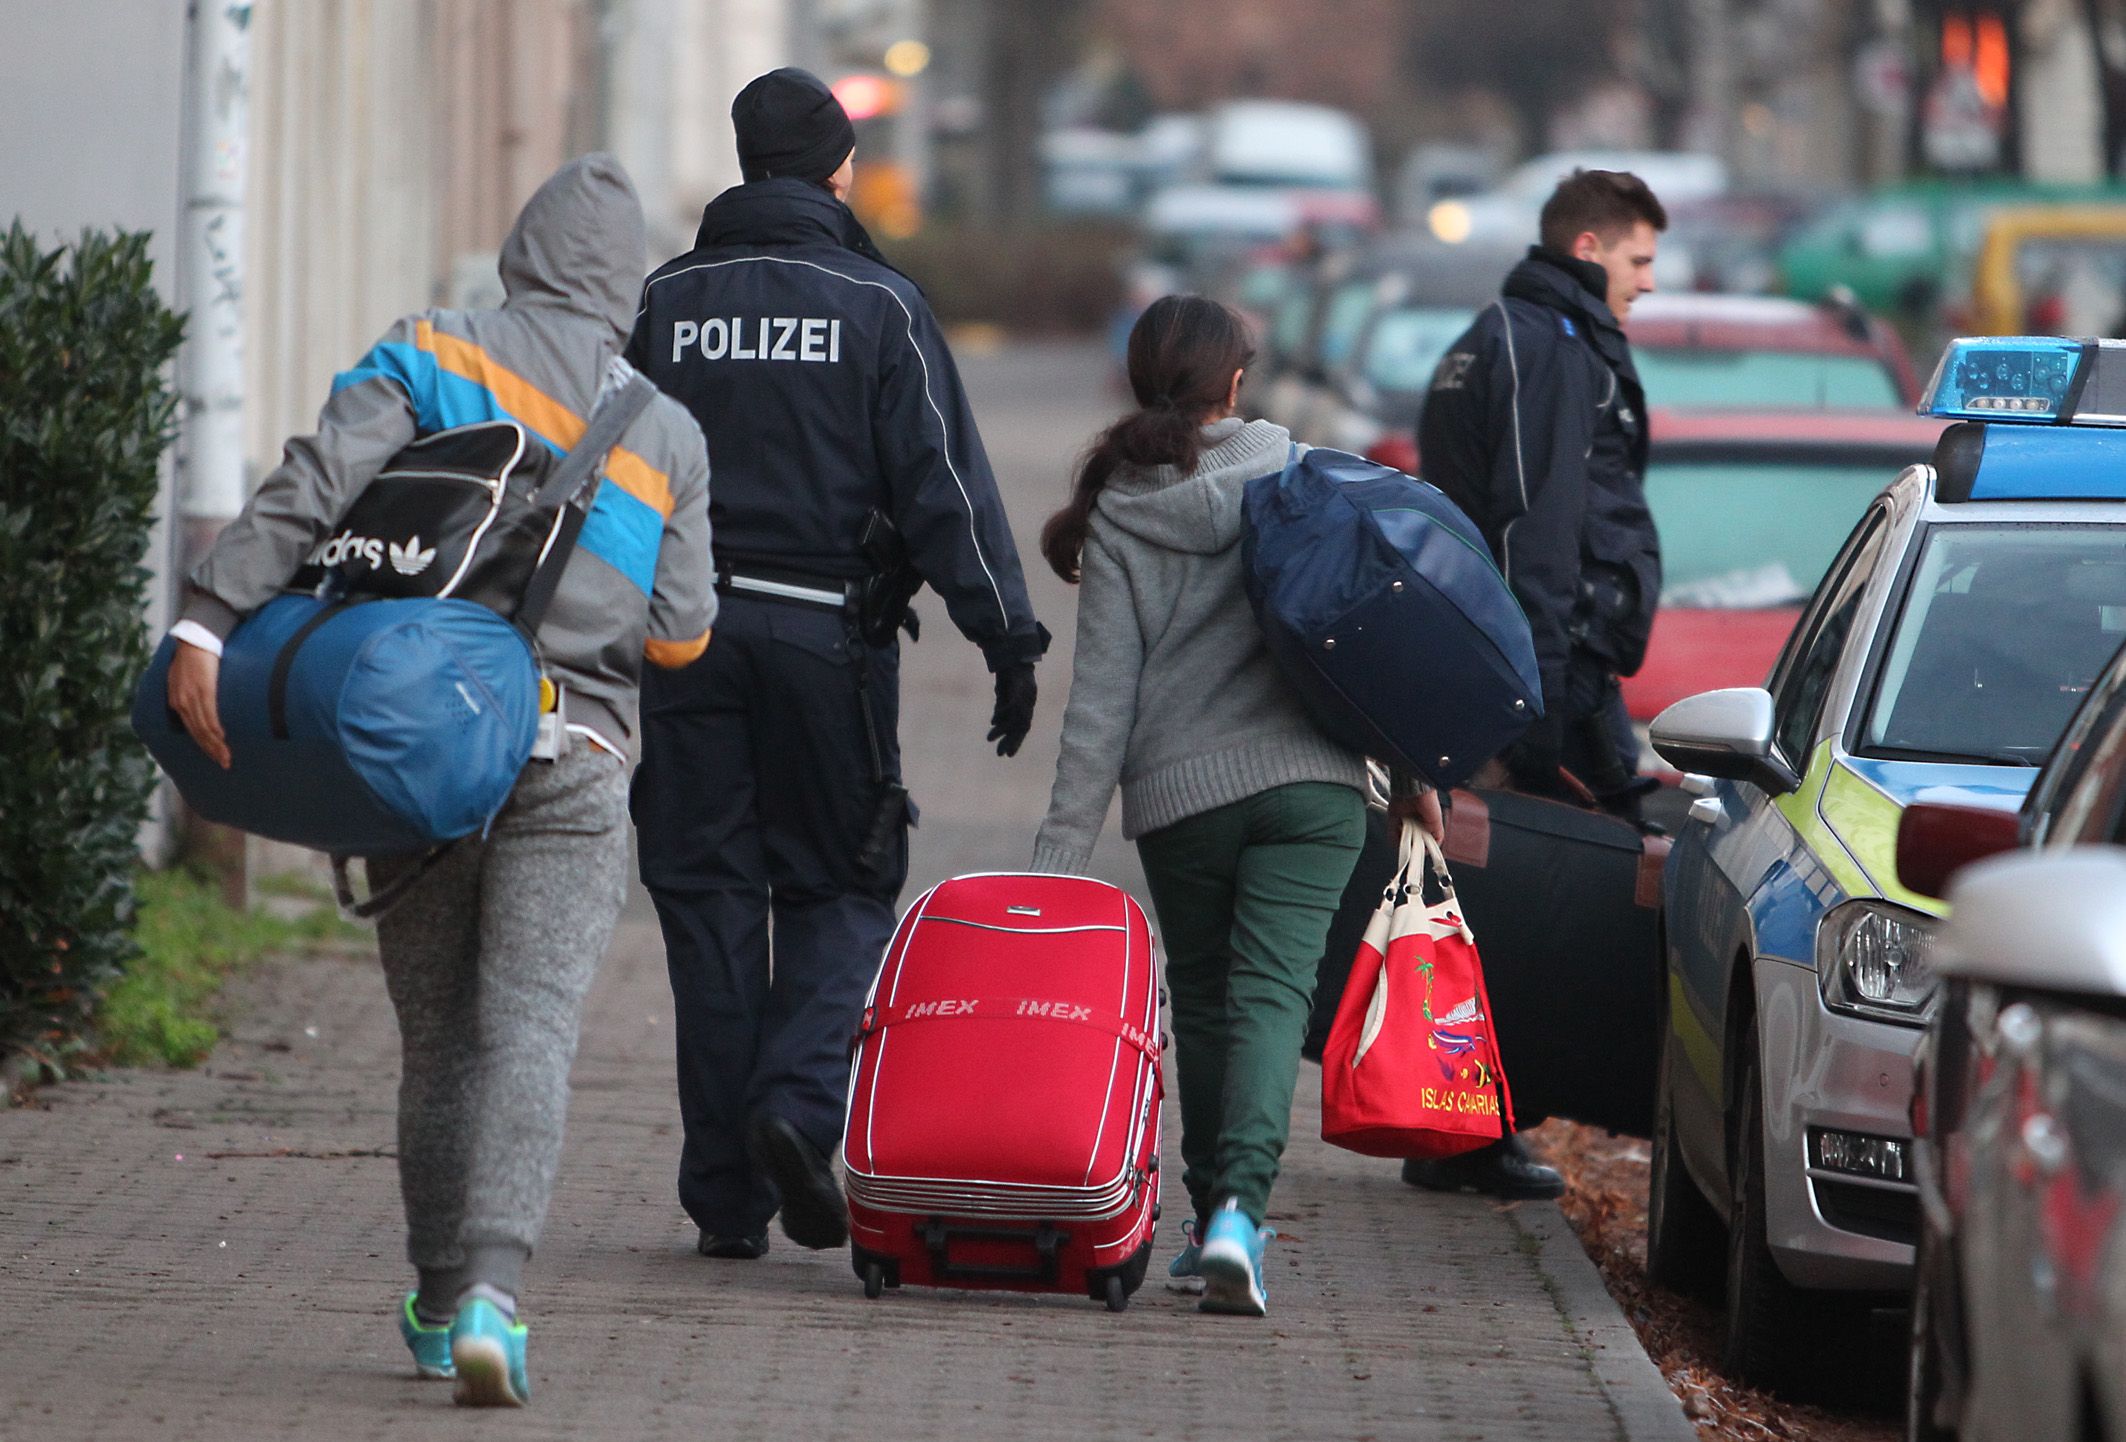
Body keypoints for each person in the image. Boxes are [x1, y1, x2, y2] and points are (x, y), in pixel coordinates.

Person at [163, 155, 716, 1407]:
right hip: (571, 756)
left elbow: (312, 487)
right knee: (528, 1027)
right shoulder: (666, 431)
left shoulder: (427, 347)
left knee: (440, 1041)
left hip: (409, 747)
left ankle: (426, 1293)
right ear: (626, 285)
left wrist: (206, 617)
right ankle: (492, 1298)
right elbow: (681, 635)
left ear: (521, 250)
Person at [625, 68, 1049, 1262]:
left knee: (707, 903)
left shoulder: (665, 299)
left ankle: (723, 1196)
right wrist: (1005, 637)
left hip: (684, 639)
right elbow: (942, 487)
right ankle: (796, 1106)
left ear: (744, 161)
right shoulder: (878, 304)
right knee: (841, 887)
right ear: (836, 168)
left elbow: (613, 472)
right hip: (827, 642)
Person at [1028, 294, 1378, 1318]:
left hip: (1181, 797)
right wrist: (1410, 779)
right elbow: (1364, 643)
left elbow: (1101, 700)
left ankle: (1204, 1217)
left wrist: (1057, 860)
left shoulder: (1123, 506)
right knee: (1272, 998)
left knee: (1210, 1001)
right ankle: (1236, 1218)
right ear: (1233, 379)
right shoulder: (1296, 470)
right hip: (1310, 788)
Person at [1406, 168, 1667, 1200]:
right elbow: (1535, 527)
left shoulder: (1503, 339)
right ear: (1591, 247)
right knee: (1535, 908)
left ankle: (1471, 1128)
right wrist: (1543, 696)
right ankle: (1466, 1134)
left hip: (1517, 662)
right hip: (1532, 670)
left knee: (1495, 904)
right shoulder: (1545, 350)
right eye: (1640, 260)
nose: (1648, 284)